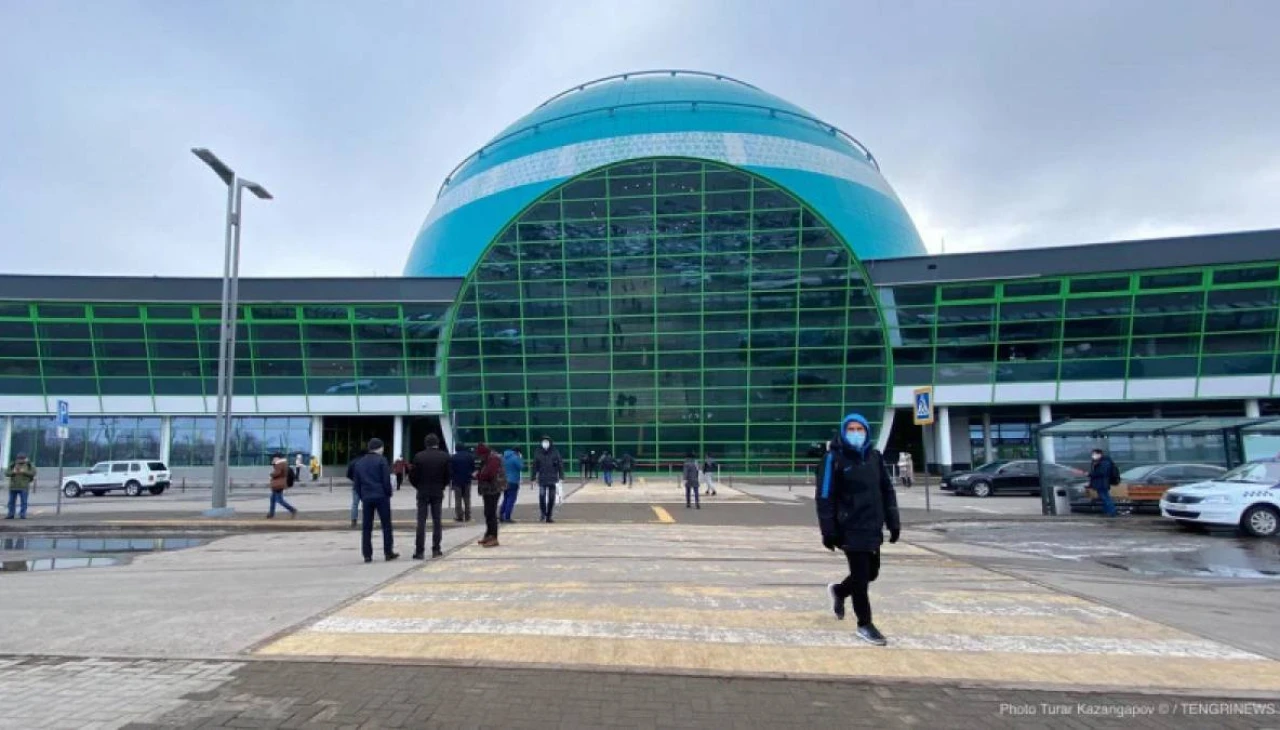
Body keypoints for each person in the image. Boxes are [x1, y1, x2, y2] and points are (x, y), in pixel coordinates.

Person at [817, 413, 900, 647]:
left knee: (871, 573)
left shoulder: (875, 457)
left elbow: (887, 491)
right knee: (861, 579)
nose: (856, 433)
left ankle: (840, 591)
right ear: (843, 432)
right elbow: (824, 496)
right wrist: (828, 529)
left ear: (866, 432)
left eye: (859, 429)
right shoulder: (833, 459)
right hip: (849, 527)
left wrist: (893, 521)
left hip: (872, 525)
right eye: (851, 429)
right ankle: (865, 624)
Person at [351, 438, 398, 563]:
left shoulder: (360, 463)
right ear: (380, 448)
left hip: (367, 497)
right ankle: (388, 552)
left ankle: (367, 554)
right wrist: (388, 493)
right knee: (386, 525)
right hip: (381, 496)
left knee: (367, 526)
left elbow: (356, 484)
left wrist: (362, 496)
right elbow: (386, 480)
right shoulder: (382, 460)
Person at [410, 434, 451, 559]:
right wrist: (442, 486)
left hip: (422, 491)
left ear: (426, 443)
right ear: (437, 443)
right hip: (437, 491)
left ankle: (419, 551)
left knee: (421, 521)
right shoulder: (444, 456)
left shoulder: (418, 456)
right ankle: (436, 549)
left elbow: (412, 476)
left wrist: (418, 486)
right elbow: (448, 475)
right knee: (437, 521)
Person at [475, 444, 504, 547]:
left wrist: (478, 475)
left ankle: (493, 537)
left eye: (479, 455)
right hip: (488, 490)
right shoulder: (488, 458)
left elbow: (490, 474)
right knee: (487, 513)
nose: (479, 457)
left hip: (493, 490)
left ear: (483, 453)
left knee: (491, 513)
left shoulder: (493, 459)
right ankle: (488, 534)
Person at [533, 436, 564, 523]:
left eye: (547, 441)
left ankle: (549, 515)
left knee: (551, 498)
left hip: (552, 478)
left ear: (550, 443)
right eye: (543, 441)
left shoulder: (555, 452)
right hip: (542, 478)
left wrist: (561, 476)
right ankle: (543, 513)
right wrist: (533, 477)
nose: (545, 443)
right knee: (542, 496)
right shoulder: (538, 452)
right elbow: (534, 466)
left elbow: (560, 464)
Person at [1088, 448, 1120, 518]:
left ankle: (1111, 512)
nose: (1093, 455)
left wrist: (1090, 474)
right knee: (1104, 497)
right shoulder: (1101, 461)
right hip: (1101, 483)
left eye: (1094, 454)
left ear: (1099, 454)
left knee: (1105, 497)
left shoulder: (1104, 462)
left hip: (1102, 483)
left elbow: (1101, 472)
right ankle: (1108, 512)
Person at [5, 453, 36, 520]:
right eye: (19, 458)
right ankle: (11, 514)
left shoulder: (29, 465)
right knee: (11, 502)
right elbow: (6, 473)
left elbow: (33, 473)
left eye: (22, 458)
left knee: (24, 502)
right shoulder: (13, 464)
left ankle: (22, 515)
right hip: (13, 486)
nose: (20, 460)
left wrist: (24, 472)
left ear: (25, 458)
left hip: (24, 486)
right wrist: (13, 472)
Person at [449, 444, 476, 522]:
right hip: (467, 480)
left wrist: (452, 478)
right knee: (467, 499)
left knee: (458, 500)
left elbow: (451, 470)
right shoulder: (470, 456)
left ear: (456, 449)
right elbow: (473, 468)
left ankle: (459, 516)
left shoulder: (453, 457)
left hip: (457, 481)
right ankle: (468, 516)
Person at [267, 453, 298, 519]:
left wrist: (271, 474)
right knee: (272, 499)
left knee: (280, 500)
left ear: (277, 458)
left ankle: (292, 510)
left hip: (279, 484)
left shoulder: (280, 464)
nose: (273, 459)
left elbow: (277, 473)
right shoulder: (282, 463)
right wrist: (274, 464)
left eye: (274, 458)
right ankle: (271, 514)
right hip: (278, 484)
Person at [501, 447, 524, 523]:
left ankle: (501, 515)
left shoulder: (504, 457)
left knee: (505, 498)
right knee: (511, 500)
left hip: (504, 480)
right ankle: (507, 517)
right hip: (513, 481)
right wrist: (520, 458)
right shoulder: (515, 458)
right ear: (518, 452)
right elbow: (521, 467)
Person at [346, 450, 365, 528]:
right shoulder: (366, 462)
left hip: (356, 485)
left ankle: (354, 521)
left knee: (355, 504)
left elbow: (348, 474)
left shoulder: (352, 462)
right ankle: (366, 520)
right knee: (366, 504)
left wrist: (354, 479)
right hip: (365, 486)